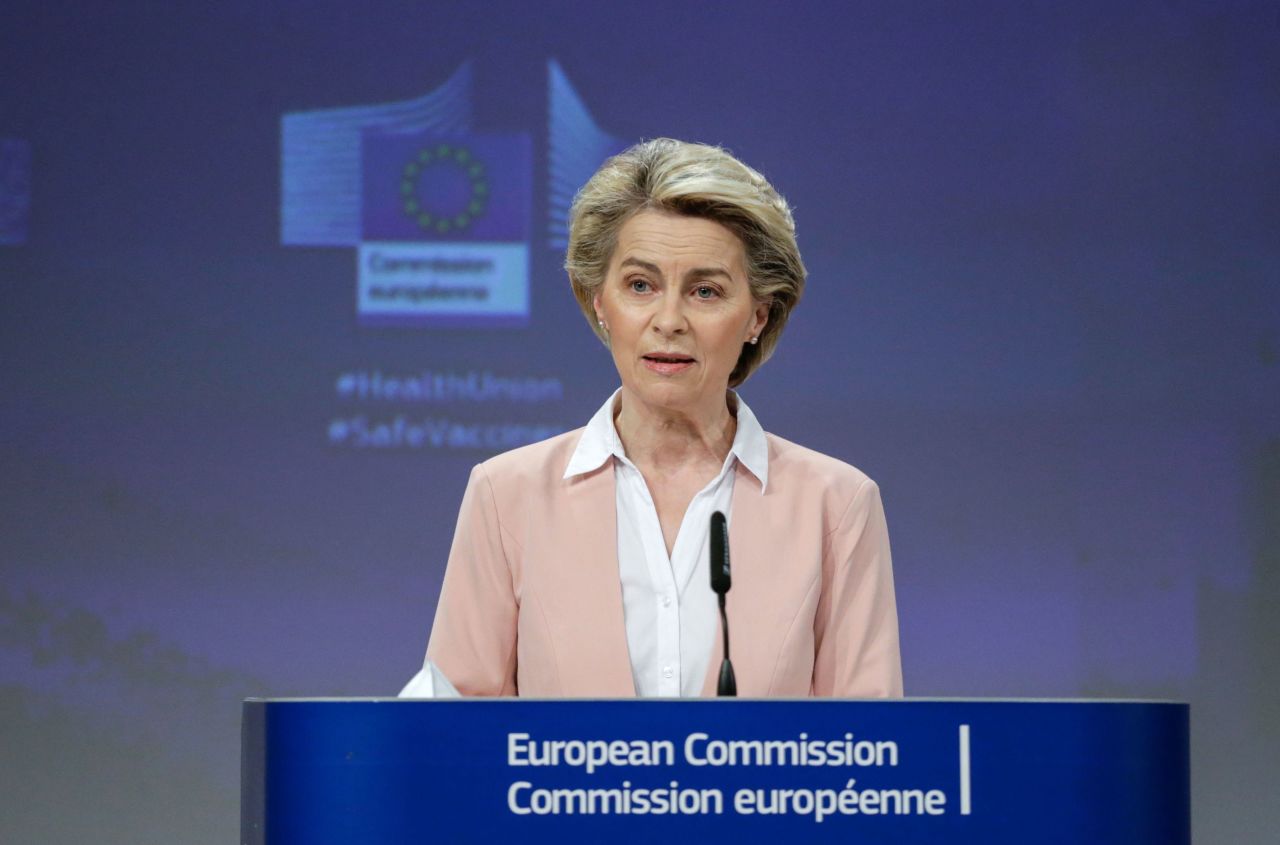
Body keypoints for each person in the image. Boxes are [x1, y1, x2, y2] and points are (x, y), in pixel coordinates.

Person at [411, 138, 901, 698]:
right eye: (640, 285)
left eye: (706, 291)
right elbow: (452, 733)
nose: (669, 320)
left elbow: (870, 749)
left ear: (757, 317)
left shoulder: (836, 505)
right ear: (599, 301)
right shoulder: (507, 495)